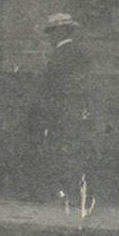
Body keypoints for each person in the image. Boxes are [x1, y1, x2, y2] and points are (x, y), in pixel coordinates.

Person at [36, 12, 92, 201]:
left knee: (62, 150)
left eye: (52, 33)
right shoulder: (80, 53)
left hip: (61, 110)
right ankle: (74, 193)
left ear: (60, 33)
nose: (50, 38)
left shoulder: (60, 56)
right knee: (73, 150)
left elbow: (52, 86)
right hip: (75, 109)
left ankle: (66, 194)